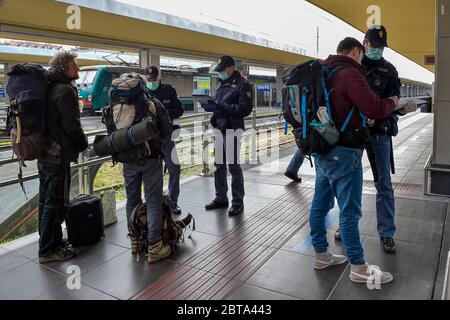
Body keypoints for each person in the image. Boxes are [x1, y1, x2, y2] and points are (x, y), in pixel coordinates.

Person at [309, 38, 399, 284]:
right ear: (357, 51)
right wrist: (392, 102)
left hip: (322, 148)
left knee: (320, 205)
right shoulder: (350, 74)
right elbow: (375, 108)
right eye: (362, 53)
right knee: (349, 212)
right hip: (345, 152)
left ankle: (321, 255)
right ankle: (358, 267)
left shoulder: (323, 71)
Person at [334, 26, 404, 254]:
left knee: (383, 184)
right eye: (374, 46)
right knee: (349, 183)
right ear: (364, 44)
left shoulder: (390, 70)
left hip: (379, 134)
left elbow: (393, 100)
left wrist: (378, 115)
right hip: (354, 134)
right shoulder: (352, 67)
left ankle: (387, 233)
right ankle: (345, 227)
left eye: (381, 47)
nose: (377, 51)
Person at [38, 51, 88, 263]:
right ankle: (48, 250)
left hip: (45, 153)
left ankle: (53, 242)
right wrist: (83, 144)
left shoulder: (49, 88)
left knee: (47, 202)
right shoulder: (65, 91)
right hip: (58, 156)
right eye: (74, 65)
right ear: (63, 68)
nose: (77, 69)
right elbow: (72, 125)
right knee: (55, 204)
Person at [122, 75, 173, 264]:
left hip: (127, 160)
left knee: (132, 199)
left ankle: (134, 240)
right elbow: (167, 130)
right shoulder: (152, 104)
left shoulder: (118, 107)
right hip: (150, 159)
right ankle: (154, 247)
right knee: (153, 201)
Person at [203, 55, 253, 216]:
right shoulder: (221, 84)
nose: (220, 74)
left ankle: (237, 202)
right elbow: (219, 106)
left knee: (233, 166)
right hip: (219, 128)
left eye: (222, 70)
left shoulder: (243, 85)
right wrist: (211, 109)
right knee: (219, 166)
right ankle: (221, 198)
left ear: (231, 68)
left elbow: (244, 110)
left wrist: (221, 106)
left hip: (232, 129)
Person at [143, 65, 184, 215]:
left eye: (154, 78)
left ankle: (173, 201)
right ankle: (154, 203)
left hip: (166, 137)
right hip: (149, 140)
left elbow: (179, 110)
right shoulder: (142, 91)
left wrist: (163, 114)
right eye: (149, 79)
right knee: (152, 173)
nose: (151, 81)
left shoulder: (168, 90)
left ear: (159, 77)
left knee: (174, 168)